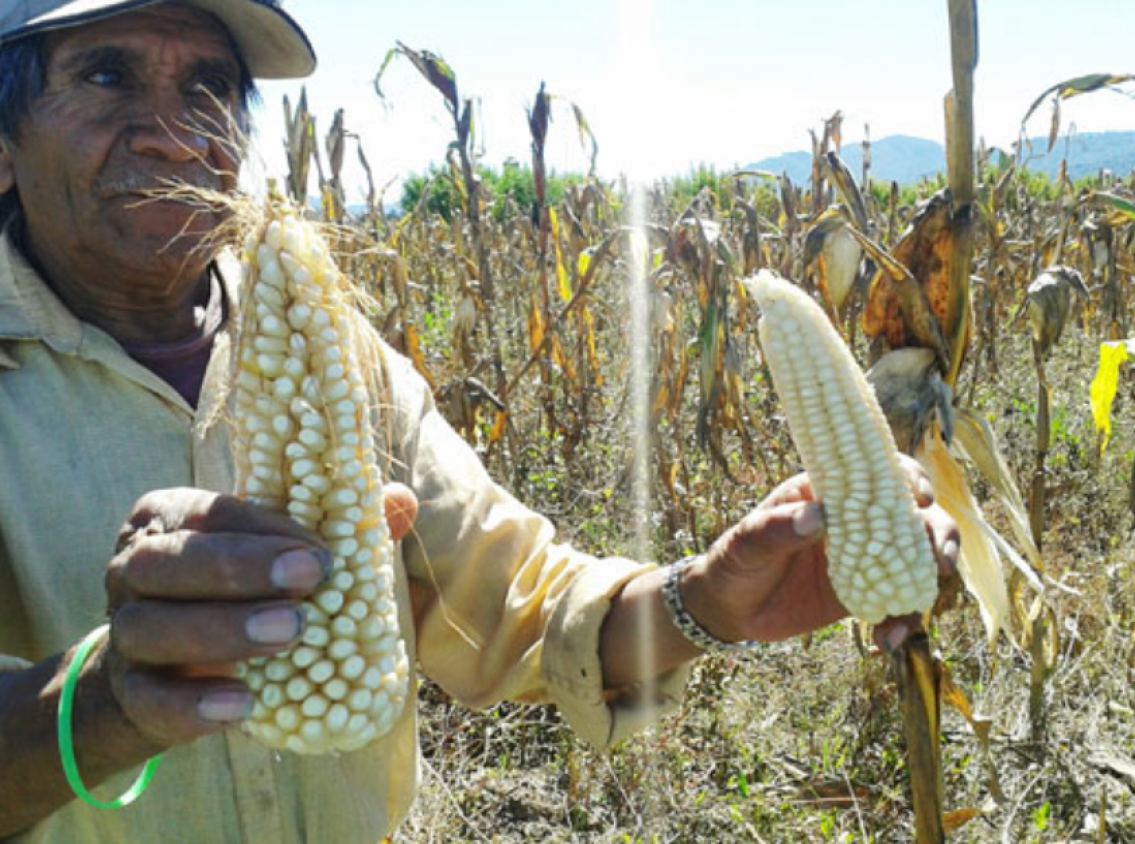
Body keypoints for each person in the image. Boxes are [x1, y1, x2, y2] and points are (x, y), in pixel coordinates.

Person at [0, 1, 961, 841]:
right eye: (107, 76)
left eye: (208, 86)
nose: (174, 136)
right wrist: (104, 703)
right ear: (5, 145)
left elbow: (516, 608)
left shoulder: (340, 356)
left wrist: (712, 596)